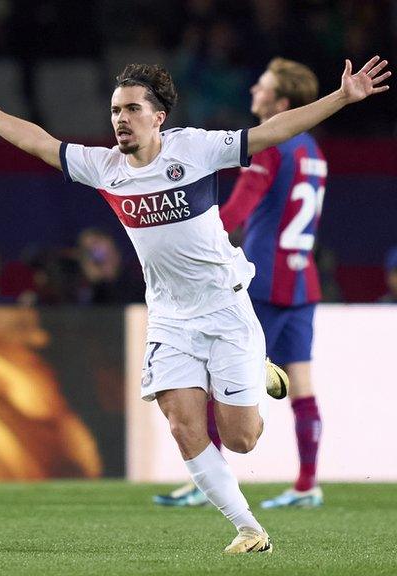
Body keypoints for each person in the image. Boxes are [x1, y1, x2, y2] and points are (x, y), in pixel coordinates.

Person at [0, 55, 389, 553]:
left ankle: (254, 370)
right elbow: (38, 141)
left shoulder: (195, 149)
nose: (120, 119)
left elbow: (272, 132)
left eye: (131, 109)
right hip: (171, 317)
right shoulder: (104, 166)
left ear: (158, 118)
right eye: (114, 110)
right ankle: (248, 528)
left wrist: (343, 97)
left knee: (242, 440)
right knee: (182, 424)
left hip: (225, 306)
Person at [155, 58, 329, 509]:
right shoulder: (312, 149)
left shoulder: (271, 146)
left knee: (220, 379)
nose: (254, 87)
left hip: (264, 278)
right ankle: (308, 485)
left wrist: (189, 237)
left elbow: (235, 212)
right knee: (303, 385)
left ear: (282, 102)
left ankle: (205, 483)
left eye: (264, 85)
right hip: (303, 281)